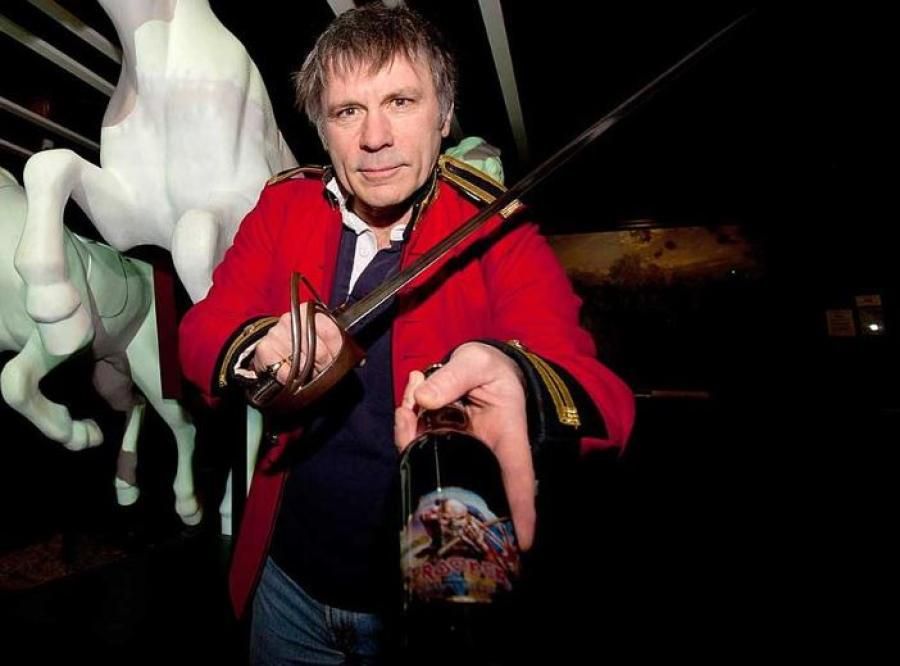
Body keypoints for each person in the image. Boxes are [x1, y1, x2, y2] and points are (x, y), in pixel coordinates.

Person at [178, 4, 634, 663]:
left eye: (400, 101)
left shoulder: (496, 227)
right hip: (286, 584)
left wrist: (519, 380)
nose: (375, 137)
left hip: (426, 601)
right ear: (323, 130)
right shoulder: (284, 205)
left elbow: (606, 402)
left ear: (444, 116)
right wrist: (257, 345)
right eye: (347, 111)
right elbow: (202, 330)